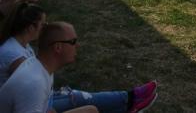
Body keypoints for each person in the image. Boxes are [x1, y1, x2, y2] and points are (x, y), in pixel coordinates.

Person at [0, 10, 158, 113]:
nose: (78, 46)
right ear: (58, 48)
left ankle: (129, 105)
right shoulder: (34, 84)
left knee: (91, 110)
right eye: (73, 42)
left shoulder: (41, 68)